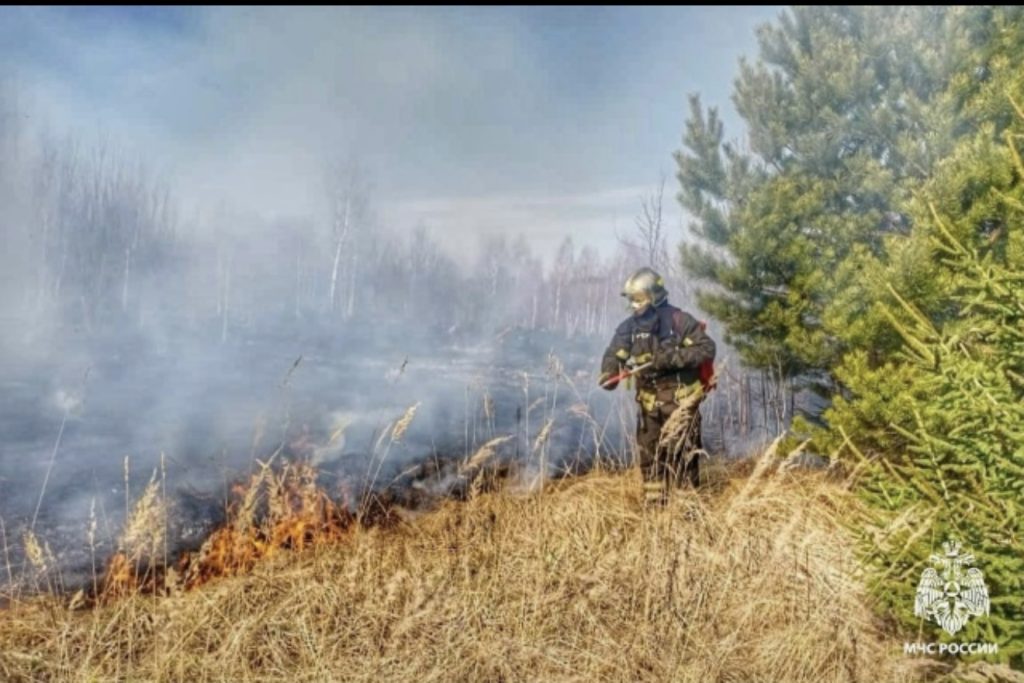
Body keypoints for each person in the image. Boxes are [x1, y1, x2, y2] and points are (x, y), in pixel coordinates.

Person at [598, 267, 716, 506]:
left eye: (638, 299)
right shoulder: (629, 328)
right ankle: (654, 509)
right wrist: (610, 373)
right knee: (650, 458)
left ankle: (688, 511)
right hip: (648, 406)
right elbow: (614, 353)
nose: (634, 305)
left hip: (680, 402)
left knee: (685, 456)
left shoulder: (679, 320)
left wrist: (673, 358)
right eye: (631, 300)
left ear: (655, 296)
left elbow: (706, 348)